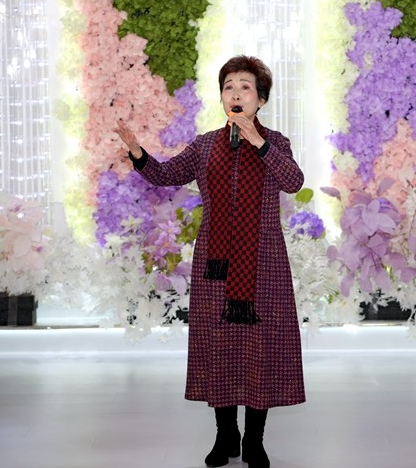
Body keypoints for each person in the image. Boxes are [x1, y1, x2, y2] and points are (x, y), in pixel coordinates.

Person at [114, 55, 305, 468]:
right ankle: (226, 435)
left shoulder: (276, 143)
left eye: (245, 87)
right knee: (219, 348)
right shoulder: (204, 146)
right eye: (229, 87)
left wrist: (258, 143)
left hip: (264, 263)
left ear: (260, 99)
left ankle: (254, 440)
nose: (236, 93)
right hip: (216, 266)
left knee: (259, 349)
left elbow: (294, 181)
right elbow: (165, 174)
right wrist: (138, 153)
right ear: (222, 97)